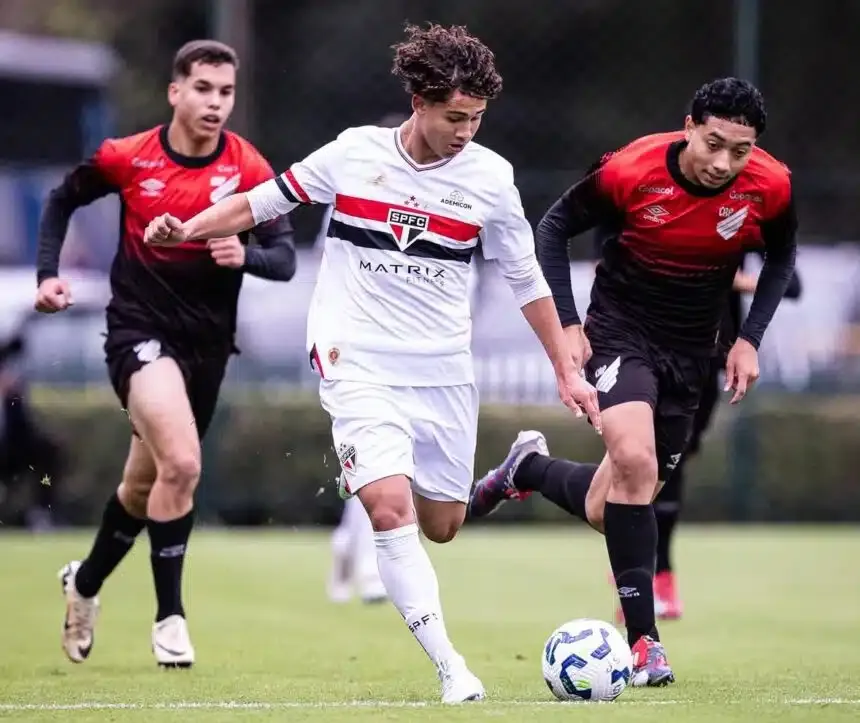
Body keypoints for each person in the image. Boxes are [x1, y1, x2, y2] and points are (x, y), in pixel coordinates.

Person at [143, 23, 600, 704]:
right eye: (454, 116)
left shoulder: (490, 178)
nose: (465, 131)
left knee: (441, 524)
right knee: (388, 508)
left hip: (443, 369)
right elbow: (260, 202)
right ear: (419, 100)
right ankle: (453, 668)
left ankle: (503, 477)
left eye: (476, 118)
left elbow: (526, 277)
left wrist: (564, 364)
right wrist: (189, 226)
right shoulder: (354, 154)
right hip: (355, 358)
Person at [467, 77, 797, 687]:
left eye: (740, 150)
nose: (725, 163)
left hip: (693, 352)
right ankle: (645, 643)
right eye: (715, 143)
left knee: (610, 506)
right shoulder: (632, 170)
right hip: (620, 332)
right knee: (636, 462)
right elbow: (553, 227)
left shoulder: (770, 185)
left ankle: (528, 471)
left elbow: (781, 256)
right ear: (691, 125)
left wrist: (748, 338)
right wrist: (568, 325)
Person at [34, 40, 296, 668]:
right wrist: (48, 274)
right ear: (175, 91)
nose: (215, 103)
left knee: (145, 481)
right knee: (182, 461)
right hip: (137, 332)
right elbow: (62, 197)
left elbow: (284, 258)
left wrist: (247, 256)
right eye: (202, 88)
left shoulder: (249, 167)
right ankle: (170, 618)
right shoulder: (130, 157)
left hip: (208, 347)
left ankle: (85, 584)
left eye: (225, 91)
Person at [644, 257, 802, 621]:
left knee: (672, 463)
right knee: (658, 460)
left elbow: (792, 284)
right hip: (655, 353)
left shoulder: (742, 220)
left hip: (709, 363)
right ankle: (654, 575)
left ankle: (639, 562)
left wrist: (730, 278)